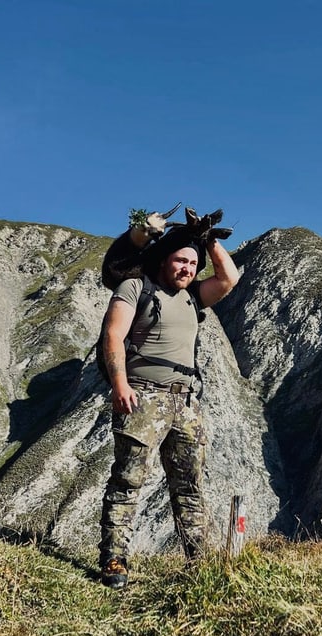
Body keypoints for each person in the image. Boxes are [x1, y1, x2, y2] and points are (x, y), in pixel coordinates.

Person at [98, 210, 240, 589]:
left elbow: (230, 278)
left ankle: (200, 562)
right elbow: (113, 336)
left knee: (189, 486)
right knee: (128, 481)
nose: (187, 269)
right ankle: (114, 559)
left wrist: (206, 239)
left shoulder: (193, 297)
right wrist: (120, 384)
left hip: (186, 401)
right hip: (142, 396)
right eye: (180, 259)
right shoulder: (135, 287)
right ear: (164, 259)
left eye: (193, 264)